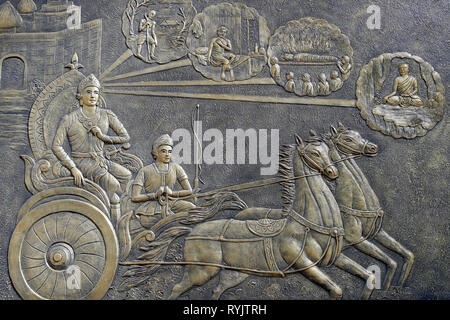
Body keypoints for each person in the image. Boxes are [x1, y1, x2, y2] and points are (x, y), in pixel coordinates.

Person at [52, 74, 132, 200]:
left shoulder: (106, 115)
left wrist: (103, 137)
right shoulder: (70, 118)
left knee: (126, 175)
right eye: (88, 92)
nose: (92, 95)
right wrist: (73, 168)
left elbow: (125, 137)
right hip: (81, 161)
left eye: (95, 92)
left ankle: (118, 204)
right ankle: (106, 211)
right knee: (113, 185)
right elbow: (56, 146)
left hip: (100, 159)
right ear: (80, 96)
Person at [131, 134, 196, 228]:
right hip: (152, 207)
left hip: (172, 203)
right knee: (148, 221)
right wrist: (155, 195)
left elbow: (189, 191)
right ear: (156, 153)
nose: (167, 154)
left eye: (169, 152)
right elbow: (135, 197)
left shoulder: (176, 168)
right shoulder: (145, 171)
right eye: (163, 151)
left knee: (193, 210)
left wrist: (172, 193)